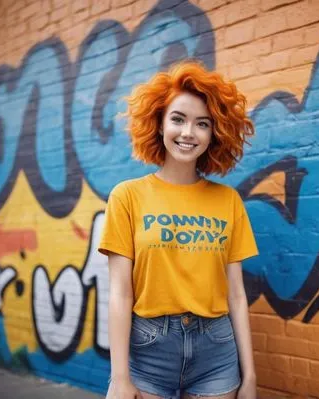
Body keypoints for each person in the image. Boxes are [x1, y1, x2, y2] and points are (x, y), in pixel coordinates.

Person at [98, 61, 259, 399]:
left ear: (215, 133)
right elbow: (120, 293)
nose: (188, 133)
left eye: (202, 124)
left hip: (217, 349)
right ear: (158, 124)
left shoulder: (228, 201)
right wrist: (119, 377)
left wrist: (250, 377)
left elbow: (236, 295)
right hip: (149, 348)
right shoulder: (127, 196)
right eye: (178, 119)